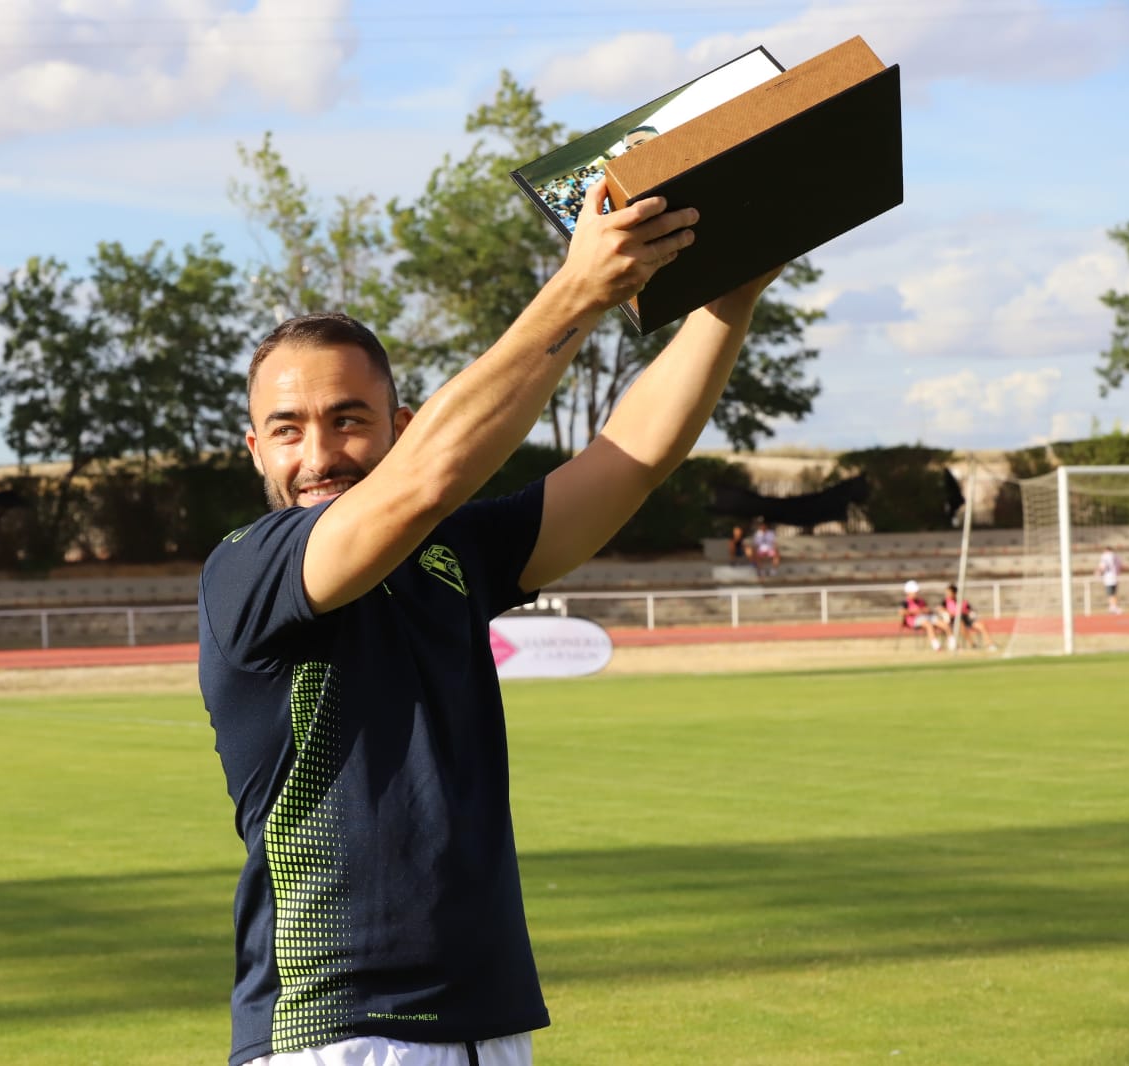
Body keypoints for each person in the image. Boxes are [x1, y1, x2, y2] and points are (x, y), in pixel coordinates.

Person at [197, 180, 781, 1066]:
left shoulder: (451, 552)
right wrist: (577, 289)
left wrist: (727, 303)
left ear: (397, 426)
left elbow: (633, 458)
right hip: (337, 1034)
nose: (317, 454)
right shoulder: (249, 566)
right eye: (287, 430)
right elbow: (431, 475)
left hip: (488, 1025)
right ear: (254, 449)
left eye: (348, 421)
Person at [943, 583, 996, 650]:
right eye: (947, 592)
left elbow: (970, 610)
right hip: (954, 622)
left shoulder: (962, 601)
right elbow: (940, 609)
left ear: (954, 593)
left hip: (967, 620)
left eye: (949, 592)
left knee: (982, 625)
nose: (947, 594)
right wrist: (949, 612)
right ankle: (973, 644)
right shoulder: (945, 601)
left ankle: (990, 644)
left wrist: (967, 612)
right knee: (961, 624)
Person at [900, 579, 947, 651]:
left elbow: (927, 609)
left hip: (926, 617)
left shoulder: (921, 601)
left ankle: (953, 644)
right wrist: (915, 611)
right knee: (928, 624)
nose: (916, 593)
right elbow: (902, 612)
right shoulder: (905, 602)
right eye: (914, 592)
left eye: (916, 592)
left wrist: (927, 610)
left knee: (943, 623)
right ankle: (937, 646)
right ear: (908, 592)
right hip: (913, 621)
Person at [1097, 546, 1122, 614]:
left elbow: (1103, 566)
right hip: (1115, 576)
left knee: (1111, 593)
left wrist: (1098, 572)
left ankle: (1113, 607)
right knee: (1113, 592)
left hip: (1108, 577)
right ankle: (1112, 606)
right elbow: (1120, 565)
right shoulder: (1116, 556)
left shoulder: (1105, 556)